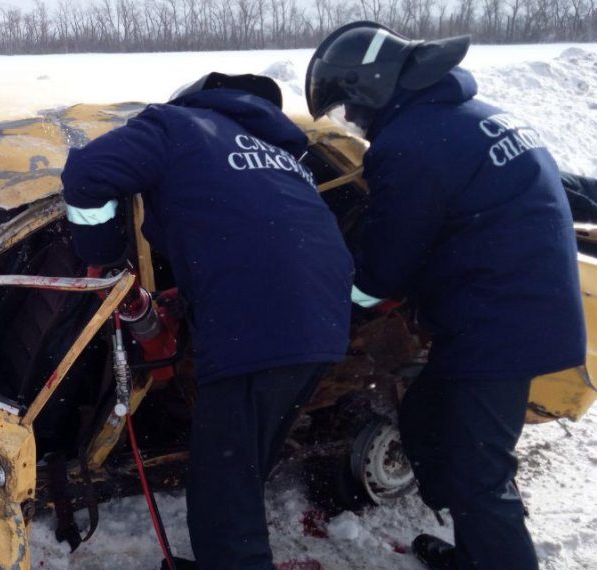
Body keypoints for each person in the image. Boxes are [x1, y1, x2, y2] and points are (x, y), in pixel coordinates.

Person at [306, 21, 586, 570]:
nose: (352, 125)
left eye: (345, 110)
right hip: (516, 308)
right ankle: (481, 552)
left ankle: (497, 554)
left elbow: (383, 269)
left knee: (480, 475)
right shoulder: (469, 117)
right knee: (428, 417)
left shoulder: (411, 144)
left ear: (371, 88)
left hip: (503, 324)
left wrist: (331, 315)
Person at [60, 72, 353, 569]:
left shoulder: (173, 125)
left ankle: (234, 558)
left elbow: (87, 175)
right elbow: (260, 234)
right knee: (242, 471)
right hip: (325, 325)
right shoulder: (283, 157)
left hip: (257, 328)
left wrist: (106, 260)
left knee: (221, 494)